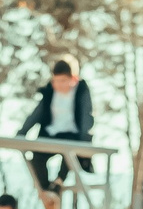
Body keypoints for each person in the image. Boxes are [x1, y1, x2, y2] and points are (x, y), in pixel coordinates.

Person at [18, 59, 94, 192]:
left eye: (63, 81)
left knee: (69, 155)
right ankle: (47, 189)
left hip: (72, 136)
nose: (59, 85)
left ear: (73, 79)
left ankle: (59, 181)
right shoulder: (50, 93)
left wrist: (85, 143)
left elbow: (86, 117)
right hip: (50, 134)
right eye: (56, 81)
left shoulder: (81, 92)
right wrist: (22, 132)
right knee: (37, 157)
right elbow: (37, 113)